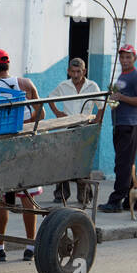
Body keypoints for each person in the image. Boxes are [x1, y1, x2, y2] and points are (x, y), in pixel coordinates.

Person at [0, 48, 44, 261]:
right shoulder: (26, 84)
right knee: (28, 196)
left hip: (4, 148)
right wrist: (23, 123)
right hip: (27, 146)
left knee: (1, 199)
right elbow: (41, 113)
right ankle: (31, 247)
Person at [97, 43, 137, 214]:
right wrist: (113, 100)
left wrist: (122, 98)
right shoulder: (121, 77)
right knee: (124, 163)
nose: (125, 60)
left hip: (130, 124)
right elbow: (119, 100)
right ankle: (130, 201)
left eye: (128, 57)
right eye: (122, 57)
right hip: (118, 124)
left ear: (134, 58)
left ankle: (116, 200)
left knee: (123, 164)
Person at [48, 58, 103, 206]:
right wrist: (58, 113)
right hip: (67, 128)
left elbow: (102, 106)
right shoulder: (63, 86)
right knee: (63, 161)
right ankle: (61, 195)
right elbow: (50, 98)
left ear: (84, 71)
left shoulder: (92, 86)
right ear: (68, 71)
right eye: (72, 71)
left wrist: (96, 122)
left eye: (78, 71)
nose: (76, 74)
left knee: (83, 164)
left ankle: (84, 197)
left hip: (85, 129)